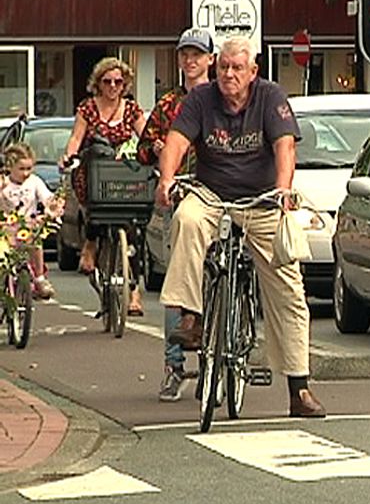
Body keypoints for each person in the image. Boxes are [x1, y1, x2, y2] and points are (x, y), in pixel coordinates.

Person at [156, 36, 325, 418]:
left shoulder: (271, 97)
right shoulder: (200, 99)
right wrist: (167, 180)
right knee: (186, 218)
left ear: (253, 72)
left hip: (261, 199)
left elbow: (285, 147)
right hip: (211, 194)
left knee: (288, 287)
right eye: (223, 68)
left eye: (237, 68)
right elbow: (176, 142)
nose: (229, 75)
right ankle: (191, 317)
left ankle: (299, 389)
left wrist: (283, 190)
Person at [137, 28, 215, 403]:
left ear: (210, 60)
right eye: (185, 54)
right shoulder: (169, 105)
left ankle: (217, 359)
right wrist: (155, 149)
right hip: (180, 194)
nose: (190, 61)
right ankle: (174, 366)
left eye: (197, 54)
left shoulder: (224, 99)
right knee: (177, 283)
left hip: (217, 195)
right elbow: (142, 152)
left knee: (220, 273)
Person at [59, 56, 147, 313]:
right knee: (97, 172)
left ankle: (134, 293)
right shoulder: (87, 108)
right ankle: (90, 242)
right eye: (107, 81)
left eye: (118, 82)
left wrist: (156, 149)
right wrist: (69, 156)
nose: (112, 87)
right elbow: (76, 138)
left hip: (121, 173)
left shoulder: (131, 110)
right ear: (98, 83)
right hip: (93, 169)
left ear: (125, 84)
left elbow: (146, 136)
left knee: (132, 232)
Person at [0, 143, 64, 299]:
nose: (26, 173)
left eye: (29, 168)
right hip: (6, 228)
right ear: (10, 166)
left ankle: (40, 278)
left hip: (28, 226)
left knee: (35, 241)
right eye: (21, 169)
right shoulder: (3, 183)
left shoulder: (34, 182)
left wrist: (53, 206)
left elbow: (47, 198)